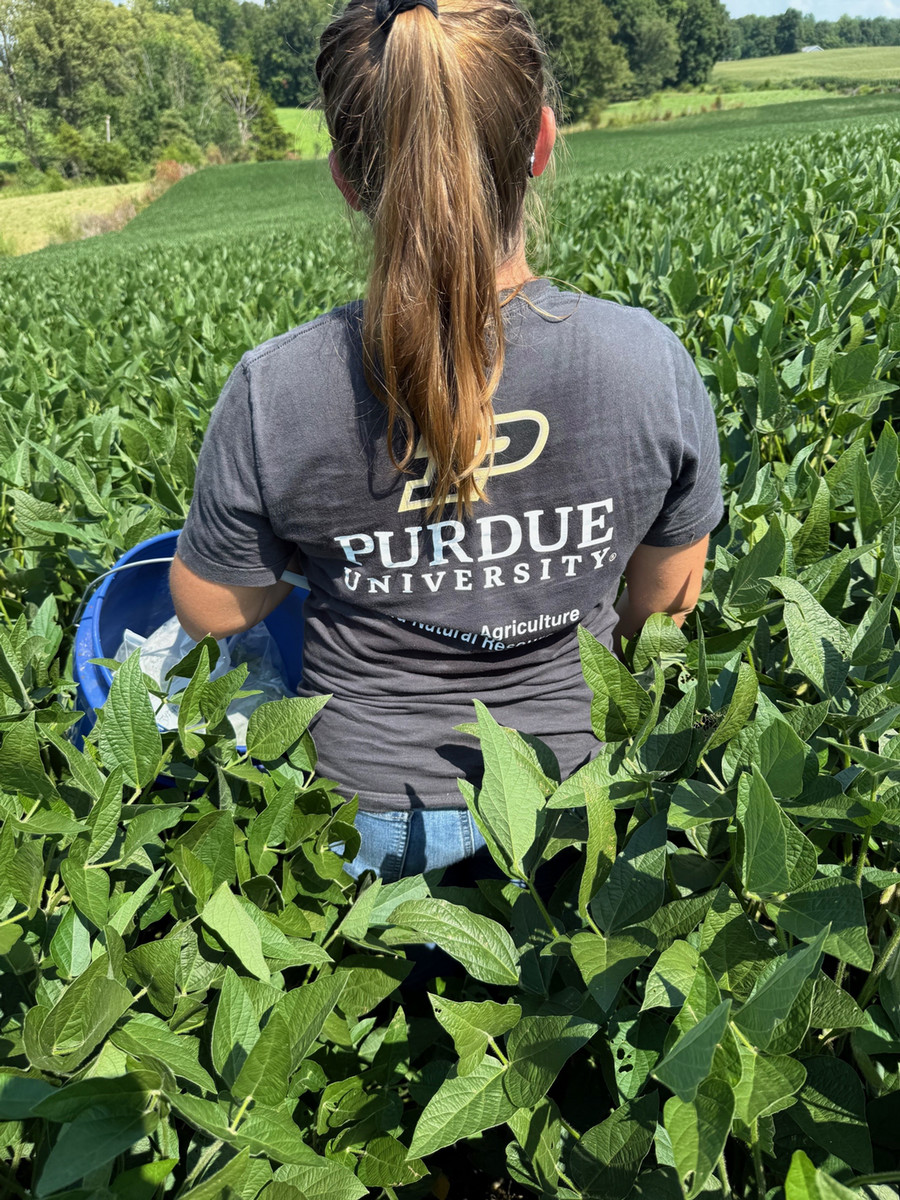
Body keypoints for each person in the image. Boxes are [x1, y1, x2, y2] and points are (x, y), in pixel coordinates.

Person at [170, 0, 723, 883]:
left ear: (348, 180)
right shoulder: (647, 362)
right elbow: (666, 602)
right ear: (541, 143)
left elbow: (206, 610)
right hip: (574, 799)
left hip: (364, 814)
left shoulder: (275, 389)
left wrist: (348, 561)